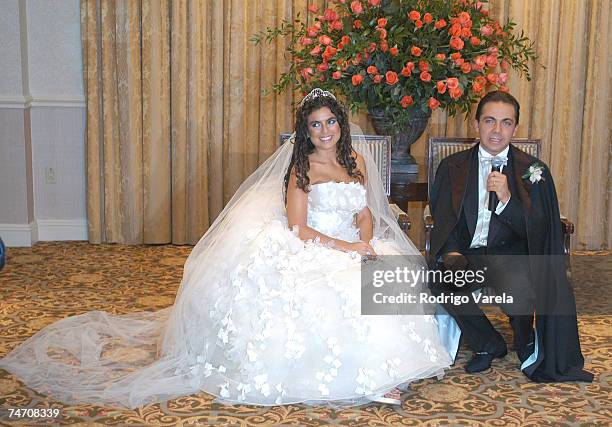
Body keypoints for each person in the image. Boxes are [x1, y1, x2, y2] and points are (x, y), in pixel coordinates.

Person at [0, 89, 457, 408]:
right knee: (339, 295)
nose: (325, 131)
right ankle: (368, 377)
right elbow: (298, 229)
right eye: (315, 125)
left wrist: (365, 236)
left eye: (331, 122)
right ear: (306, 131)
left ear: (340, 123)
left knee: (389, 280)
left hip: (352, 240)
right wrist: (346, 247)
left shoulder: (356, 159)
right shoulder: (301, 168)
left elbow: (363, 207)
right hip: (316, 243)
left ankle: (386, 369)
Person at [428, 90, 593, 382]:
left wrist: (506, 200)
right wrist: (451, 252)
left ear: (515, 128)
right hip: (469, 254)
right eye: (489, 121)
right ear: (476, 124)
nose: (496, 130)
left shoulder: (533, 171)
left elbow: (541, 228)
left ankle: (523, 335)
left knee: (521, 280)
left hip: (513, 255)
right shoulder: (451, 166)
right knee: (441, 279)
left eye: (506, 122)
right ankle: (486, 343)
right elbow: (442, 219)